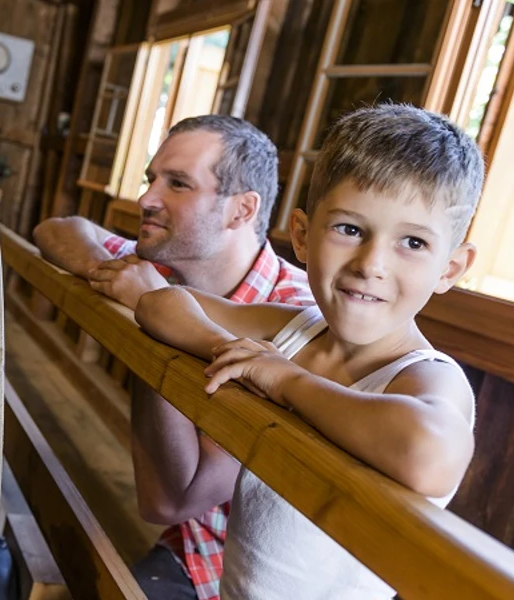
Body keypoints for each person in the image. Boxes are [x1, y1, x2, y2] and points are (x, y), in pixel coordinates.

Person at [133, 103, 483, 599]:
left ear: (450, 268)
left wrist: (285, 380)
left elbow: (429, 454)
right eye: (350, 230)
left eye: (412, 242)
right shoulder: (297, 332)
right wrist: (235, 350)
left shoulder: (421, 374)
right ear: (301, 235)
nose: (371, 264)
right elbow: (160, 304)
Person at [32, 115, 312, 600]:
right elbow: (58, 229)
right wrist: (105, 271)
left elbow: (173, 499)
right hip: (191, 546)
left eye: (177, 184)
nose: (146, 199)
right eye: (151, 179)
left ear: (241, 210)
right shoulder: (164, 264)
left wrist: (152, 308)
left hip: (246, 579)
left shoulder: (297, 323)